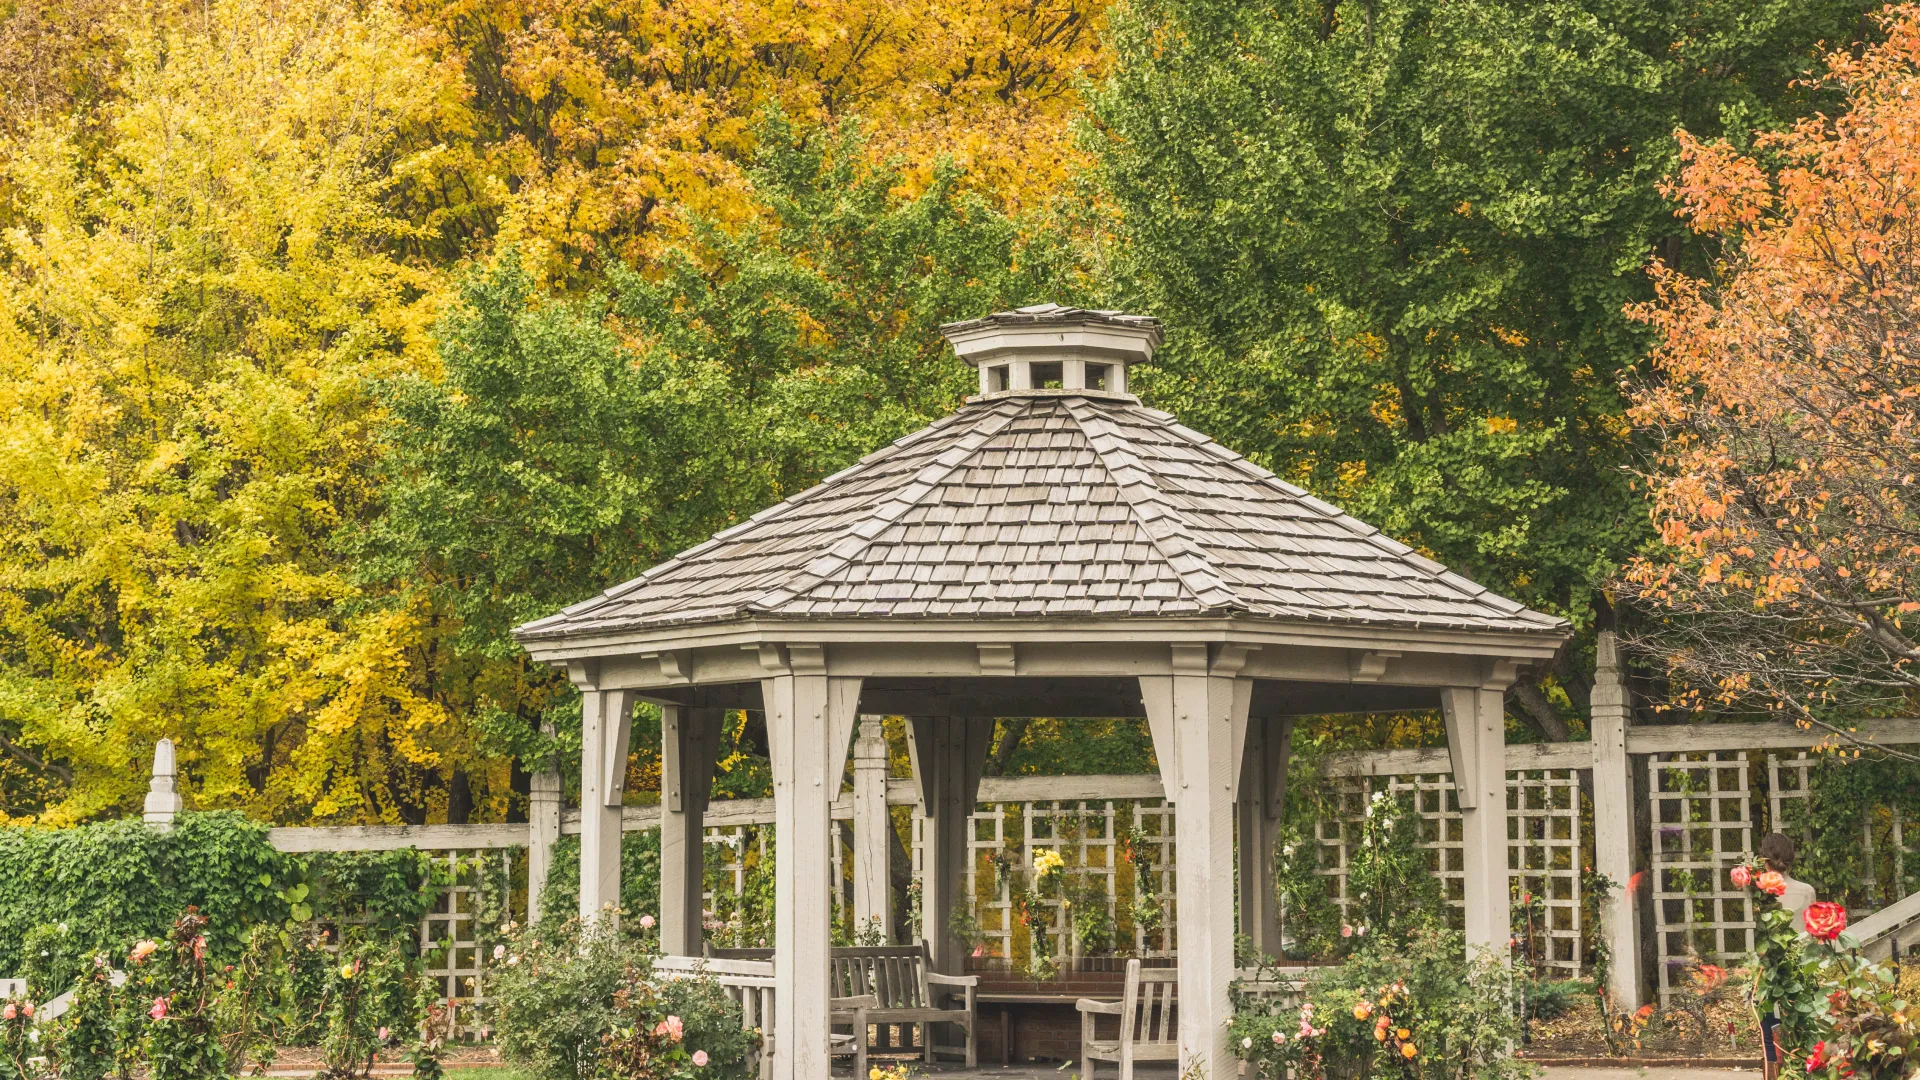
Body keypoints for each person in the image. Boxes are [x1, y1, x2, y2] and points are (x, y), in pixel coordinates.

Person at [1756, 832, 1815, 1080]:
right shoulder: (1806, 891)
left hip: (1769, 972)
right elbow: (1812, 934)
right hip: (1802, 971)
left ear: (1765, 861)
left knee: (1768, 1032)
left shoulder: (1760, 892)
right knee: (1803, 1031)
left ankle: (1772, 1074)